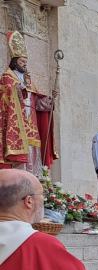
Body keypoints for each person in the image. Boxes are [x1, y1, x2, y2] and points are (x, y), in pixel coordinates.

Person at [0, 31, 56, 171]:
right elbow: (6, 95)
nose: (25, 65)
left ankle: (35, 184)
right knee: (20, 161)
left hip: (32, 123)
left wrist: (49, 101)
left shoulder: (29, 81)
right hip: (17, 124)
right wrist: (19, 87)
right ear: (14, 62)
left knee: (33, 157)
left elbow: (36, 102)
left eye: (26, 62)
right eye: (22, 62)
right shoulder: (7, 77)